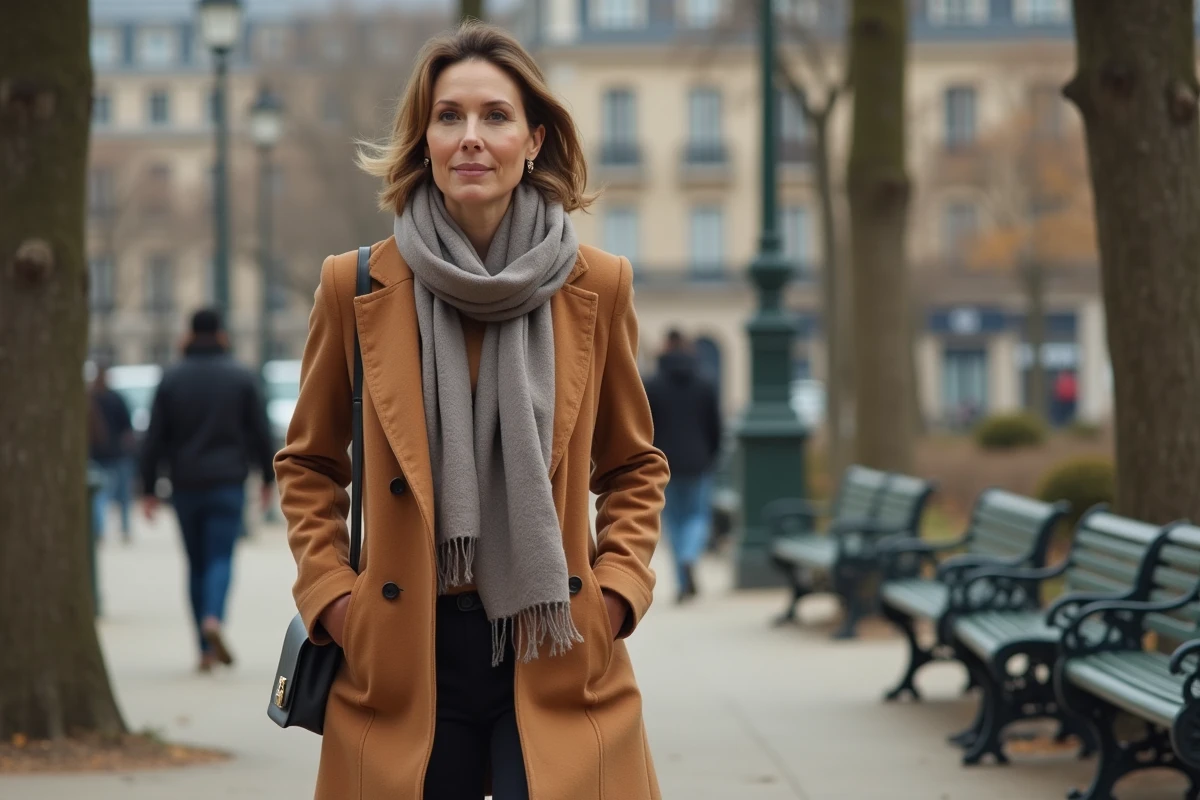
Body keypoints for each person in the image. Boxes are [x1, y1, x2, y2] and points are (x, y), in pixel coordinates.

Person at [274, 21, 669, 800]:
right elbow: (310, 464)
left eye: (495, 116)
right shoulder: (353, 287)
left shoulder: (598, 284)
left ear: (534, 138)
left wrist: (617, 596)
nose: (471, 138)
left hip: (554, 642)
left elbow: (632, 466)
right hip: (404, 651)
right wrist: (336, 603)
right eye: (449, 116)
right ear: (423, 140)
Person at [139, 308, 276, 673]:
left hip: (185, 485)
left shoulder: (171, 378)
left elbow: (154, 438)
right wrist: (267, 478)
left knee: (196, 563)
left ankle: (202, 649)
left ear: (188, 335)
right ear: (221, 335)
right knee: (221, 558)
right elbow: (260, 432)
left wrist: (148, 489)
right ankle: (214, 618)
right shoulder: (241, 376)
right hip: (228, 482)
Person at [644, 330, 723, 603]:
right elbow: (716, 427)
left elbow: (644, 428)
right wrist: (712, 455)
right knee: (698, 516)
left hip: (664, 464)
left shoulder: (651, 385)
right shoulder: (705, 383)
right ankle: (690, 558)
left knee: (674, 522)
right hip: (698, 461)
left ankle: (681, 580)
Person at [86, 363, 134, 542]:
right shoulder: (116, 398)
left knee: (99, 497)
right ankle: (125, 528)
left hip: (95, 454)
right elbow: (127, 427)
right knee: (123, 496)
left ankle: (99, 529)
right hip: (117, 453)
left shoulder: (89, 399)